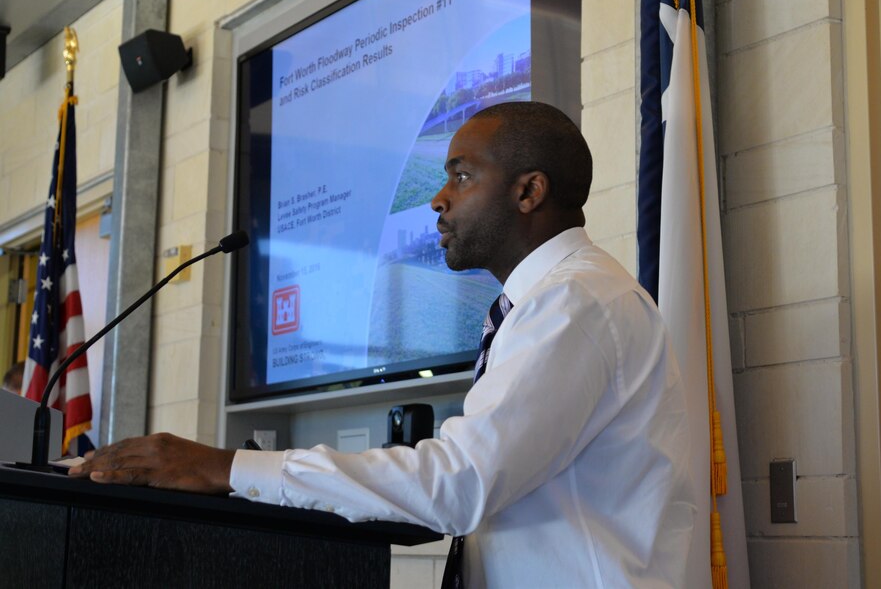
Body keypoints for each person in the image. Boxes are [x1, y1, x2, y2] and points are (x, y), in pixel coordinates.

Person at [71, 101, 694, 587]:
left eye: (462, 176)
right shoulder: (544, 303)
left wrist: (226, 468)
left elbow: (457, 484)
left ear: (529, 191)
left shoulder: (575, 304)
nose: (438, 199)